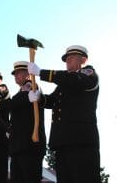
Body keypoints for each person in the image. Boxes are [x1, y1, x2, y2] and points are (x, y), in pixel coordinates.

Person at [28, 45, 101, 183]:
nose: (67, 61)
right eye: (66, 59)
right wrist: (39, 98)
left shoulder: (88, 74)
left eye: (71, 58)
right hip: (62, 141)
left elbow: (73, 80)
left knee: (83, 178)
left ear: (83, 60)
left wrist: (41, 72)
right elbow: (52, 101)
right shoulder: (64, 84)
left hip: (81, 140)